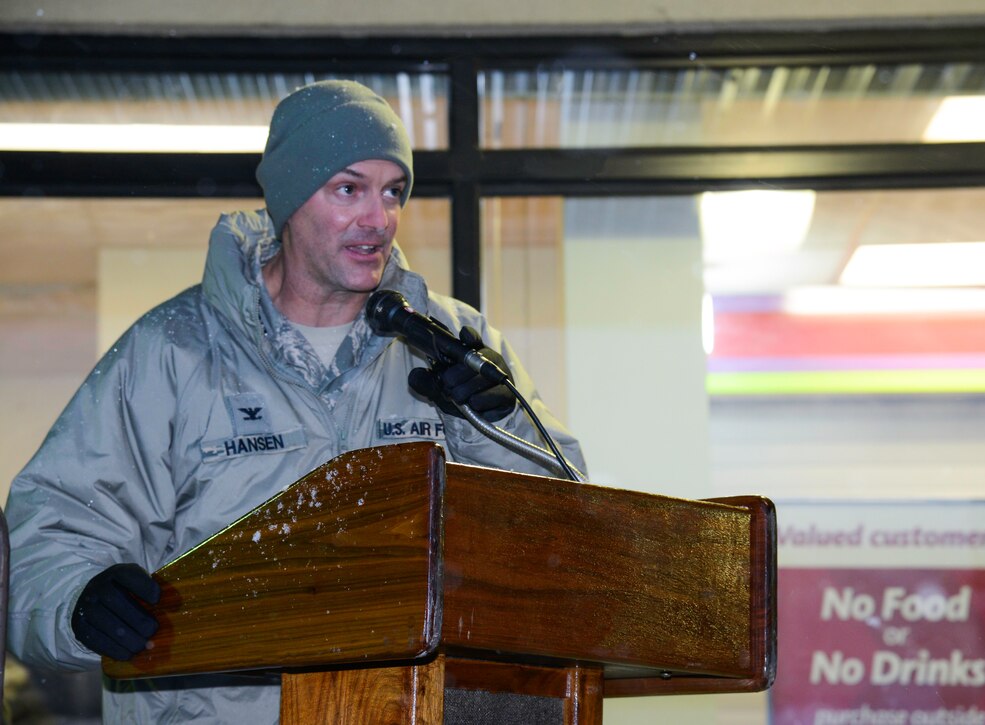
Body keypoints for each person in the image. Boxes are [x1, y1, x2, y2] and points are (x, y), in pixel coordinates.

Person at [5, 79, 585, 722]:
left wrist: (495, 423)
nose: (379, 218)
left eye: (393, 191)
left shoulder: (451, 344)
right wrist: (78, 603)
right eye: (349, 189)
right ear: (289, 201)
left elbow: (567, 539)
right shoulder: (172, 351)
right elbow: (56, 524)